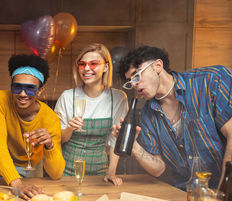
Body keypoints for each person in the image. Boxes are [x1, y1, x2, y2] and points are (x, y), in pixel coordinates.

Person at [114, 45, 232, 189]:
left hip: (224, 193)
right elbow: (159, 169)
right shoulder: (147, 115)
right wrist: (134, 147)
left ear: (157, 66)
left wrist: (223, 196)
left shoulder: (211, 80)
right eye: (130, 82)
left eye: (137, 75)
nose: (134, 84)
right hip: (186, 194)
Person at [0, 54, 65, 200]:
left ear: (40, 90)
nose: (22, 94)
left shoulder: (51, 119)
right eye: (17, 87)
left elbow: (56, 173)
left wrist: (50, 145)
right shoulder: (1, 99)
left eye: (30, 89)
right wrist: (17, 184)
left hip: (35, 171)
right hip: (7, 168)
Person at [55, 43, 128, 185]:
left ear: (106, 67)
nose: (87, 68)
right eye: (82, 64)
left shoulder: (118, 98)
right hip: (66, 172)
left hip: (100, 173)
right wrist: (70, 129)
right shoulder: (68, 96)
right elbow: (58, 140)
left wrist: (111, 173)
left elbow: (115, 140)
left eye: (93, 64)